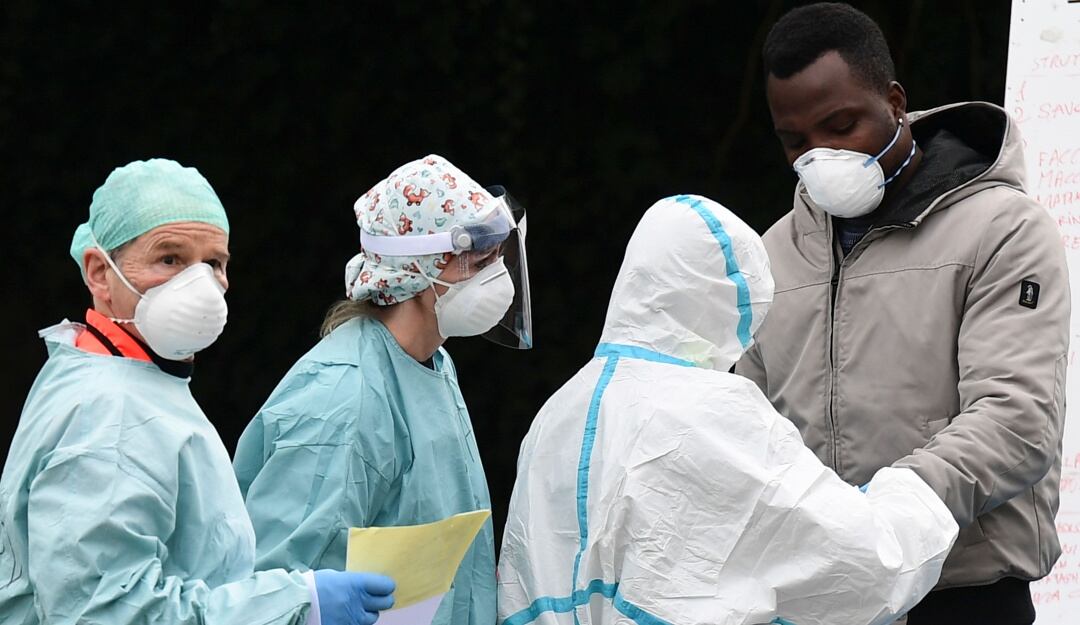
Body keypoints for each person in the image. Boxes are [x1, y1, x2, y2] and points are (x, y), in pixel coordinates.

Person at [734, 4, 1071, 625]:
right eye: (795, 142)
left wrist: (890, 513)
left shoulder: (1002, 229)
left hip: (961, 596)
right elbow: (741, 424)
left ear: (894, 103)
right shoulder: (769, 255)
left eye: (841, 126)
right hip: (815, 601)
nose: (820, 155)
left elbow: (1017, 417)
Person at [497, 194, 959, 625]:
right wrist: (912, 494)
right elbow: (860, 562)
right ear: (724, 300)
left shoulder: (559, 412)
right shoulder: (713, 411)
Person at [0, 159, 395, 625]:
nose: (201, 284)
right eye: (169, 259)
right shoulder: (110, 415)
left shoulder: (129, 380)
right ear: (100, 273)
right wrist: (294, 603)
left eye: (214, 264)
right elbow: (103, 611)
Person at [234, 154, 530, 625]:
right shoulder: (343, 397)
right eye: (479, 259)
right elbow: (276, 592)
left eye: (498, 257)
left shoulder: (432, 364)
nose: (497, 275)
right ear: (418, 268)